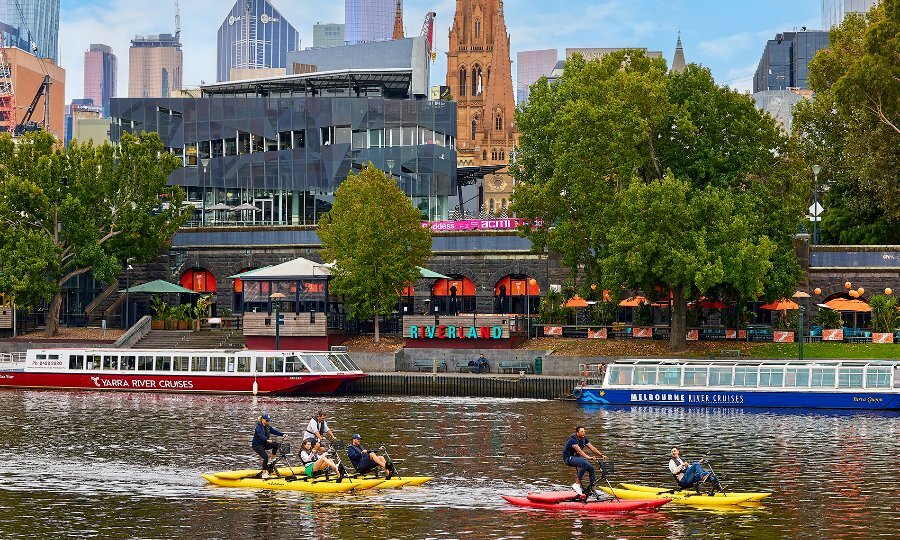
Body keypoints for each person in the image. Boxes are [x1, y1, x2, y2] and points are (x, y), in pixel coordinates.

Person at [562, 425, 607, 496]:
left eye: (584, 431)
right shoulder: (572, 440)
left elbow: (592, 448)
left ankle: (592, 489)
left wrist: (601, 455)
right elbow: (579, 451)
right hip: (568, 458)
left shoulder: (584, 439)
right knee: (584, 463)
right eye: (581, 432)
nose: (583, 433)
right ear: (577, 433)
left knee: (591, 468)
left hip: (577, 458)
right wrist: (588, 457)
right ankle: (576, 484)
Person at [252, 412, 285, 479]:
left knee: (276, 444)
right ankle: (264, 474)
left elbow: (274, 431)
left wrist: (283, 434)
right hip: (257, 445)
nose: (268, 422)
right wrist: (267, 440)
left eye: (268, 420)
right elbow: (261, 435)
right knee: (265, 457)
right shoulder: (258, 426)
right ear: (262, 419)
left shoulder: (268, 427)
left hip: (264, 444)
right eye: (267, 420)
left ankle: (272, 460)